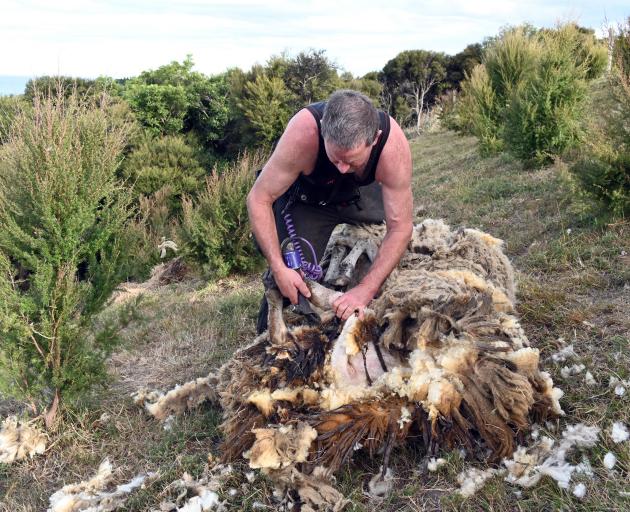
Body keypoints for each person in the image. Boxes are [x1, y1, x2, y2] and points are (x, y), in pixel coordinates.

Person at [247, 89, 413, 333]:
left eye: (353, 161)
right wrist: (278, 267)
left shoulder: (391, 145)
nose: (343, 168)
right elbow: (258, 199)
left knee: (388, 240)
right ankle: (268, 336)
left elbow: (401, 226)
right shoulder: (303, 132)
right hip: (308, 199)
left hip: (359, 194)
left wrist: (366, 289)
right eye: (336, 159)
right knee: (290, 274)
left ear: (374, 139)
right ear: (323, 129)